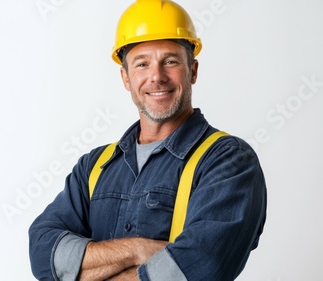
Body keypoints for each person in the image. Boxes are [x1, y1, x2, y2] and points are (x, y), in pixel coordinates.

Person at [28, 0, 267, 280]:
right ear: (126, 78)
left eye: (170, 61)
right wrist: (138, 250)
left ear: (193, 70)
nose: (157, 76)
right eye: (142, 64)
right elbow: (43, 255)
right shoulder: (94, 166)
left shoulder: (227, 161)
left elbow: (201, 267)